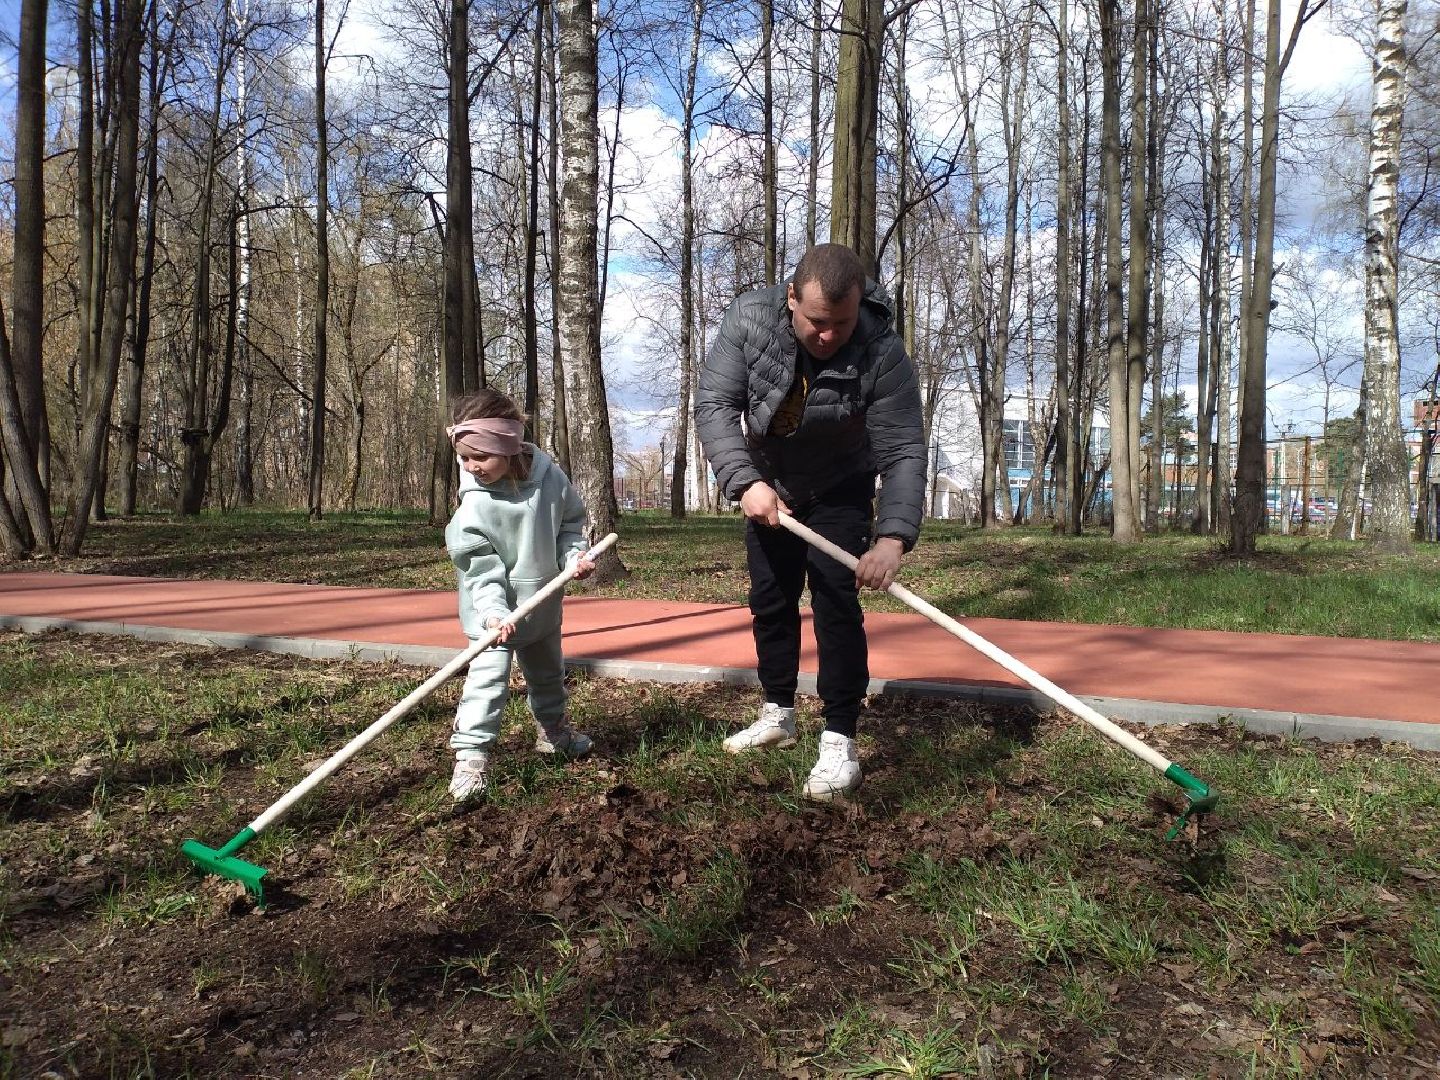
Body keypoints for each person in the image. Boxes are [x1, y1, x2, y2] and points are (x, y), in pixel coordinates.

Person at [695, 243, 925, 801]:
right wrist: (745, 482)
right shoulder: (750, 320)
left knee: (834, 601)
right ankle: (778, 711)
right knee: (771, 599)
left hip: (842, 484)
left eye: (840, 325)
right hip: (769, 482)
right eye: (818, 323)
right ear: (791, 299)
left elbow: (902, 449)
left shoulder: (880, 347)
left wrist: (892, 539)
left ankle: (839, 739)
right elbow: (715, 404)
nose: (829, 336)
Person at [443, 388, 596, 802]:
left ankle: (553, 734)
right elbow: (481, 571)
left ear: (509, 448)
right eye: (465, 458)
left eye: (482, 457)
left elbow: (569, 525)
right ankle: (471, 758)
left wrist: (573, 557)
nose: (473, 467)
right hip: (493, 617)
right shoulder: (472, 510)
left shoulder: (550, 478)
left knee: (548, 673)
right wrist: (494, 614)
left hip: (542, 605)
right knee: (487, 684)